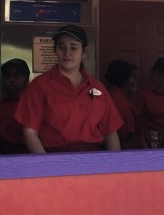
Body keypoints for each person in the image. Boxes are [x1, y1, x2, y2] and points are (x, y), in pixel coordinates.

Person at [16, 24, 122, 153]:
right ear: (55, 50)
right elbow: (30, 132)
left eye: (73, 48)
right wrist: (46, 163)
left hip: (93, 157)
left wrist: (115, 163)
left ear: (84, 52)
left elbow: (111, 133)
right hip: (54, 156)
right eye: (61, 47)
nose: (67, 53)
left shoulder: (97, 87)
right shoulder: (39, 85)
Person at [0, 58, 31, 153]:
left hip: (26, 153)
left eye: (17, 75)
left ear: (27, 80)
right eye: (7, 75)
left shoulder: (33, 103)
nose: (12, 79)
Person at [104, 59, 140, 149]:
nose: (134, 81)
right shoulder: (123, 104)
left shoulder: (105, 94)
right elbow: (127, 141)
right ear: (127, 80)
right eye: (132, 77)